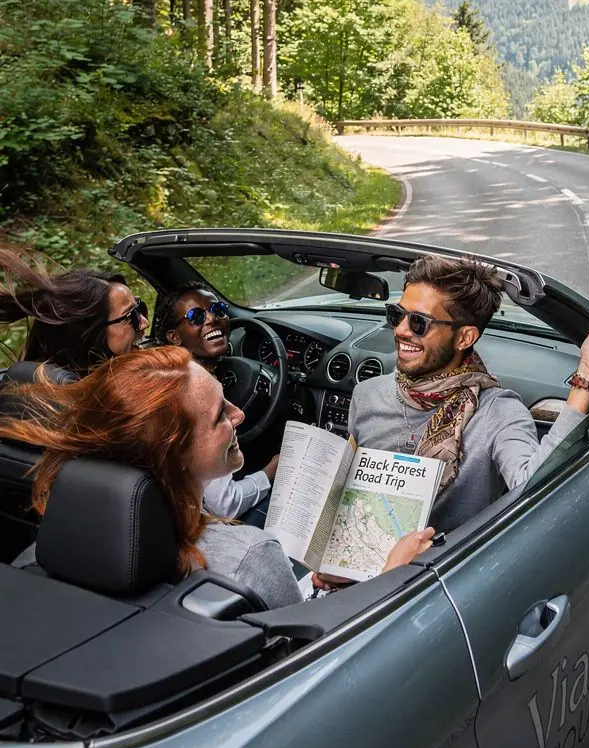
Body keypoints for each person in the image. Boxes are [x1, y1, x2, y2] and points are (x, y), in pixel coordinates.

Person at [2, 346, 434, 608]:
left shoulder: (38, 555)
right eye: (218, 417)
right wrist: (389, 577)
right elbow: (314, 655)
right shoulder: (249, 555)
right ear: (177, 454)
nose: (239, 414)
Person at [348, 253, 589, 536]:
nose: (400, 330)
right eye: (397, 315)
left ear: (464, 338)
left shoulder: (498, 413)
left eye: (419, 323)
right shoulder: (367, 395)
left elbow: (534, 484)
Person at [153, 283, 279, 523]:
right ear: (174, 337)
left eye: (219, 310)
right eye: (196, 316)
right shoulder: (193, 394)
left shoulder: (173, 376)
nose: (212, 319)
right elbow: (225, 504)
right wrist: (269, 472)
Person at [0, 247, 148, 378]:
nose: (145, 323)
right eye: (131, 316)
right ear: (90, 335)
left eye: (139, 308)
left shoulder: (21, 383)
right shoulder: (101, 405)